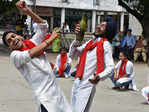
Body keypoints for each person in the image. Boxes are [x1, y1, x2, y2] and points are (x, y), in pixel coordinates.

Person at [2, 1, 72, 112]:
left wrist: (28, 11)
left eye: (13, 36)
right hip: (45, 99)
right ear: (10, 47)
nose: (13, 40)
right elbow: (31, 53)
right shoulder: (15, 56)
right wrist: (51, 39)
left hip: (56, 93)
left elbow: (44, 26)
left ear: (19, 36)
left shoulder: (32, 42)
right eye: (9, 41)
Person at [69, 16, 116, 112]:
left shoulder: (105, 45)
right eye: (100, 24)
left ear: (108, 31)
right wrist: (77, 38)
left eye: (103, 26)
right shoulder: (90, 43)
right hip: (77, 81)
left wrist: (99, 76)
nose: (98, 26)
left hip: (87, 85)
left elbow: (111, 67)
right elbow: (73, 55)